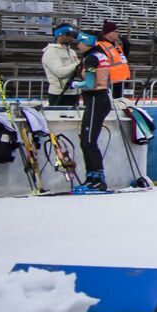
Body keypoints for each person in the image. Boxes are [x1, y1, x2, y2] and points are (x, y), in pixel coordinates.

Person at [72, 29, 114, 190]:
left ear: (87, 43)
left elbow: (89, 84)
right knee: (86, 139)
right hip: (98, 99)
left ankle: (97, 177)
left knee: (89, 141)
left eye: (81, 43)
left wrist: (75, 84)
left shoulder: (91, 58)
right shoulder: (100, 54)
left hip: (96, 98)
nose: (78, 46)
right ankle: (92, 176)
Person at [41, 24, 82, 106]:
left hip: (74, 93)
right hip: (59, 94)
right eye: (69, 35)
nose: (71, 38)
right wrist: (77, 64)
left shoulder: (71, 51)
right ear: (60, 35)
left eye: (72, 35)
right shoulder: (51, 52)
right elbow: (60, 73)